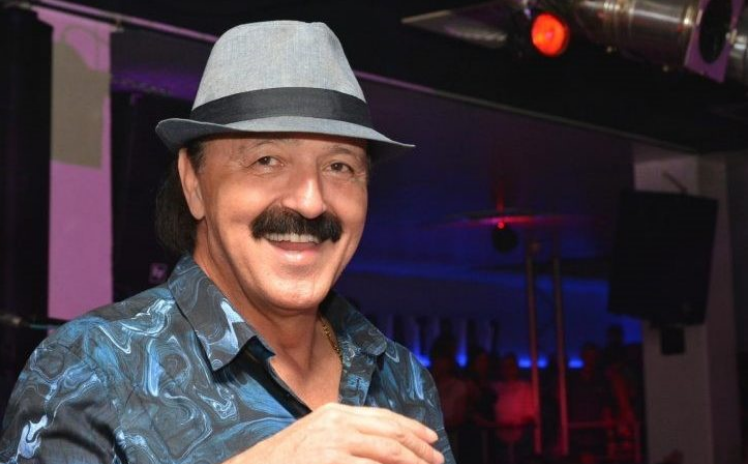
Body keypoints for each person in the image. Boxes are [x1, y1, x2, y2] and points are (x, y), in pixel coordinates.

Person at [0, 21, 453, 464]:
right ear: (194, 183)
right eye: (267, 160)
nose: (311, 202)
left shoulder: (400, 376)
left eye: (339, 166)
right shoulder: (92, 368)